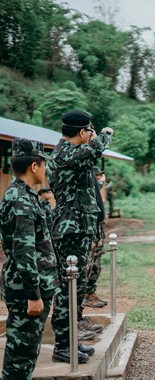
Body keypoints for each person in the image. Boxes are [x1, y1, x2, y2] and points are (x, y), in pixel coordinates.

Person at [49, 110, 114, 363]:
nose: (92, 134)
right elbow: (94, 150)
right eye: (90, 130)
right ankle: (62, 346)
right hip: (69, 230)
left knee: (75, 287)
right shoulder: (66, 153)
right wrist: (105, 135)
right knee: (68, 288)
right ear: (82, 132)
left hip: (78, 228)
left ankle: (69, 342)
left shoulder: (75, 155)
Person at [0, 138, 62, 378]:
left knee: (26, 353)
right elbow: (23, 251)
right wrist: (33, 295)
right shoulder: (20, 200)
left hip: (32, 285)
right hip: (27, 289)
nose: (45, 169)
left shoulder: (25, 195)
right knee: (20, 357)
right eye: (43, 164)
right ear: (34, 166)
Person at [83, 166, 108, 309]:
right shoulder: (89, 187)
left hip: (97, 229)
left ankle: (90, 292)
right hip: (91, 230)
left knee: (96, 264)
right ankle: (85, 295)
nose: (99, 178)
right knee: (89, 264)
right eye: (97, 176)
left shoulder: (94, 187)